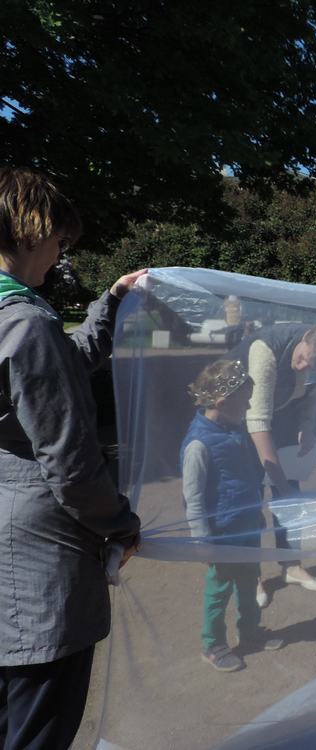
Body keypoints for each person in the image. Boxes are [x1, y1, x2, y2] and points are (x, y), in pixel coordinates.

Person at [0, 167, 142, 749]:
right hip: (36, 562)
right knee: (38, 726)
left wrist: (110, 301)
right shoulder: (24, 321)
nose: (60, 256)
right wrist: (121, 523)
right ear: (33, 232)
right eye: (60, 241)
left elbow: (65, 362)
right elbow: (70, 459)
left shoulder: (13, 316)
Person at [228, 322, 316, 603]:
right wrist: (279, 481)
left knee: (291, 494)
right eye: (303, 357)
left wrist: (307, 428)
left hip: (282, 412)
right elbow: (257, 421)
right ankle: (251, 575)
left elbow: (313, 397)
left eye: (311, 367)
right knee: (251, 498)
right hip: (242, 418)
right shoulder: (266, 351)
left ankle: (291, 565)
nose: (302, 367)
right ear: (306, 337)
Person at [182, 360, 283, 672]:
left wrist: (257, 512)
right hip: (222, 534)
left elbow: (246, 476)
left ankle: (250, 632)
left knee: (249, 580)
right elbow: (193, 499)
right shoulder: (198, 444)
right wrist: (202, 541)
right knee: (219, 590)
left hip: (246, 525)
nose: (250, 406)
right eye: (245, 400)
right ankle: (213, 645)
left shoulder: (233, 428)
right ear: (223, 402)